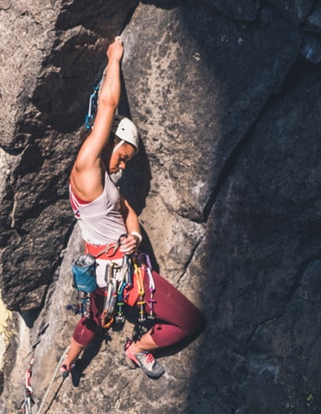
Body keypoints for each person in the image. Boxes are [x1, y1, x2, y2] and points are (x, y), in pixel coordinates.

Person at [62, 36, 204, 379]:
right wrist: (114, 59)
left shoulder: (103, 184)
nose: (122, 166)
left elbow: (126, 211)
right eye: (123, 156)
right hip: (124, 279)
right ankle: (138, 349)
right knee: (190, 321)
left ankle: (68, 359)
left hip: (106, 271)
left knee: (93, 316)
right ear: (110, 143)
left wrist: (136, 235)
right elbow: (107, 107)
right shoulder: (86, 168)